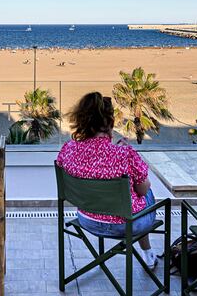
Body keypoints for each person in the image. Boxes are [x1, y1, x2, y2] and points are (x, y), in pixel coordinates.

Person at [56, 92, 158, 269]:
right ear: (110, 123)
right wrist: (120, 154)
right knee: (146, 191)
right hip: (125, 226)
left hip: (86, 219)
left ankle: (147, 254)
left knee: (132, 192)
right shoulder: (125, 154)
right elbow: (142, 190)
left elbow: (86, 163)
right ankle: (148, 254)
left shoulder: (68, 149)